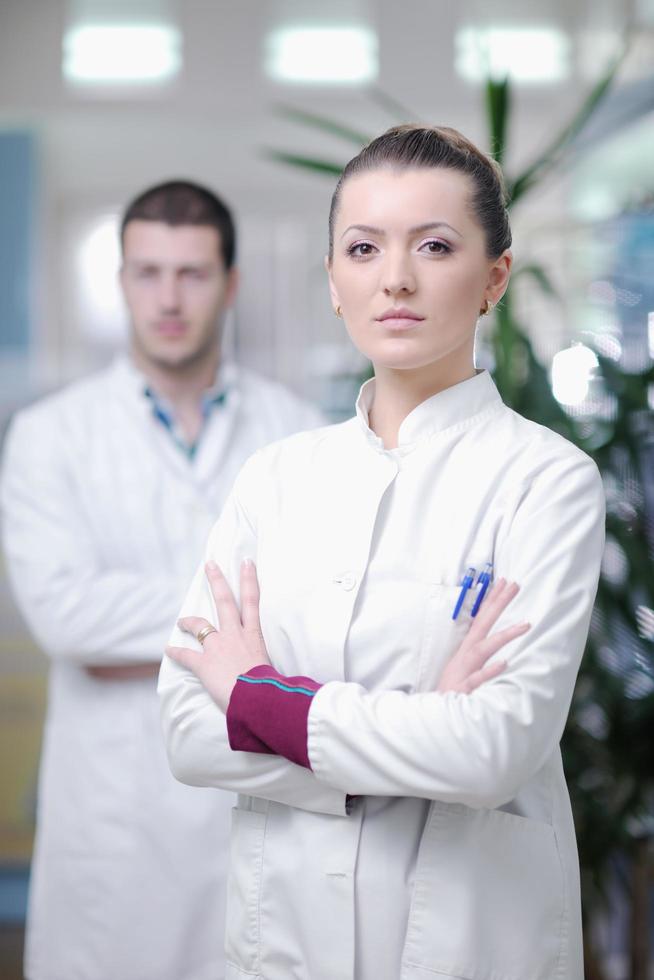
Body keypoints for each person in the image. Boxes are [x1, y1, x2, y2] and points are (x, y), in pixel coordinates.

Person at [159, 126, 606, 980]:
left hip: (468, 942)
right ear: (334, 280)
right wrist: (406, 736)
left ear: (494, 278)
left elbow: (493, 749)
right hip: (280, 937)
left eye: (435, 246)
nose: (395, 277)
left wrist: (261, 699)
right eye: (363, 248)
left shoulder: (547, 482)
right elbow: (185, 728)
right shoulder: (275, 478)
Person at [0, 179, 324, 980]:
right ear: (121, 284)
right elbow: (67, 620)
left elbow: (318, 608)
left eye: (192, 273)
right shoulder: (48, 437)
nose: (169, 298)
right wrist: (242, 630)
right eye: (147, 273)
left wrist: (134, 627)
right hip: (114, 823)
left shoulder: (299, 434)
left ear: (231, 284)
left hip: (250, 811)